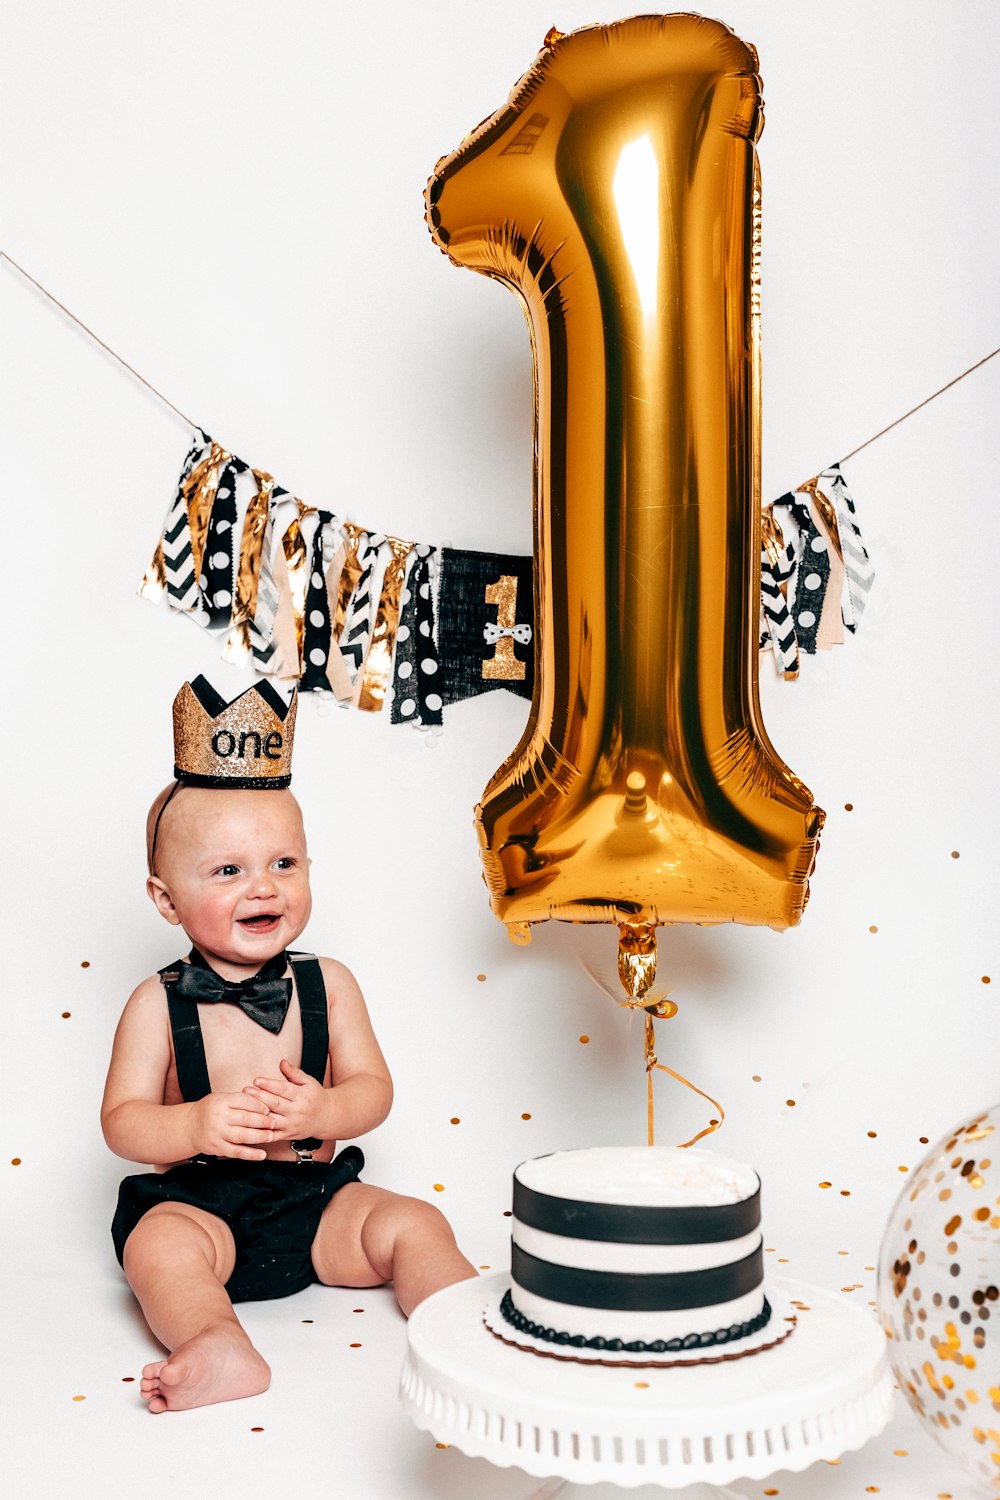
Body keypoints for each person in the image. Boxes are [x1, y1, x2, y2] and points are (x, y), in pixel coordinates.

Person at [101, 677, 476, 1414]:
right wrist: (194, 1124)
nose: (262, 888)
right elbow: (121, 1121)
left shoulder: (328, 984)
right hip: (203, 1209)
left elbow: (374, 1090)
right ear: (166, 898)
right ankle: (217, 1341)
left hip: (314, 1203)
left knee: (412, 1221)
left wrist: (324, 1110)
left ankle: (464, 1319)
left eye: (283, 863)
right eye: (227, 871)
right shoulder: (156, 1001)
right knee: (159, 1249)